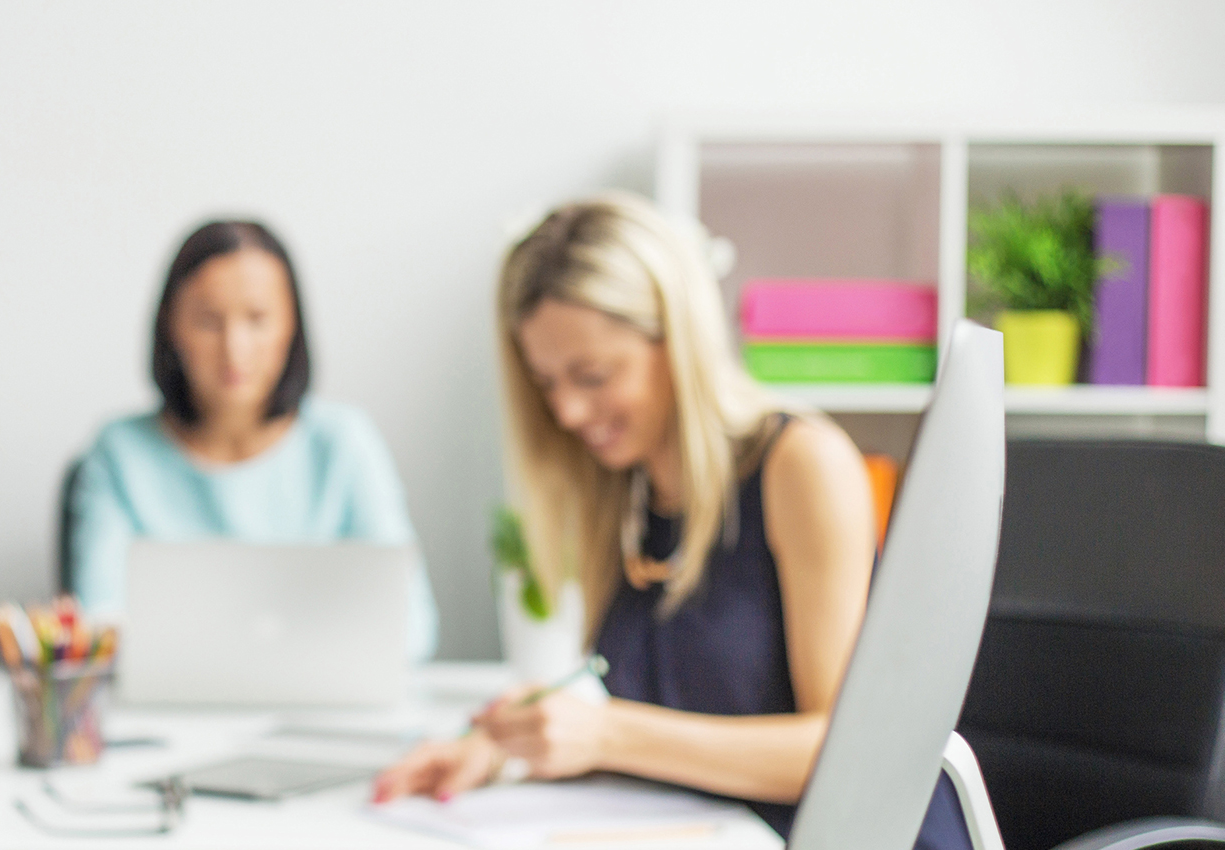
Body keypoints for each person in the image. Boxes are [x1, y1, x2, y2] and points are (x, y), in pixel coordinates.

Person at [372, 193, 969, 848]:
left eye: (592, 375)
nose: (567, 411)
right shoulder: (623, 493)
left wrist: (605, 735)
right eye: (546, 383)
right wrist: (503, 747)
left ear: (677, 342)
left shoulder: (802, 464)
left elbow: (844, 750)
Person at [65, 220, 439, 660]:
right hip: (169, 703)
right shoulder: (118, 453)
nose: (234, 348)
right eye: (208, 322)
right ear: (171, 327)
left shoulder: (344, 443)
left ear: (291, 327)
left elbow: (409, 626)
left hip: (319, 698)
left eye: (258, 319)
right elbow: (99, 620)